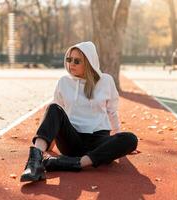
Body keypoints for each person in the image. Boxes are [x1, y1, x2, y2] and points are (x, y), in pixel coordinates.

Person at [20, 41, 138, 182]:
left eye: (77, 61)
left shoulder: (106, 81)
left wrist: (119, 142)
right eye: (69, 59)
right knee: (53, 107)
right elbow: (56, 115)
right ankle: (34, 162)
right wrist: (48, 144)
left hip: (98, 142)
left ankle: (76, 163)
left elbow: (112, 112)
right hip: (71, 140)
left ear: (89, 63)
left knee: (130, 139)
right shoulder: (63, 82)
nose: (71, 64)